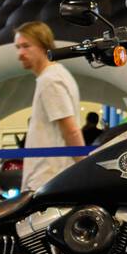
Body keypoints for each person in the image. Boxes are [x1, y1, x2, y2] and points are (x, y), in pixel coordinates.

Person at [13, 21, 83, 192]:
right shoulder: (55, 75)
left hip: (47, 182)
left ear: (44, 46)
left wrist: (85, 170)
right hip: (50, 180)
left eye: (26, 46)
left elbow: (71, 130)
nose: (20, 54)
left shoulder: (50, 80)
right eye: (17, 47)